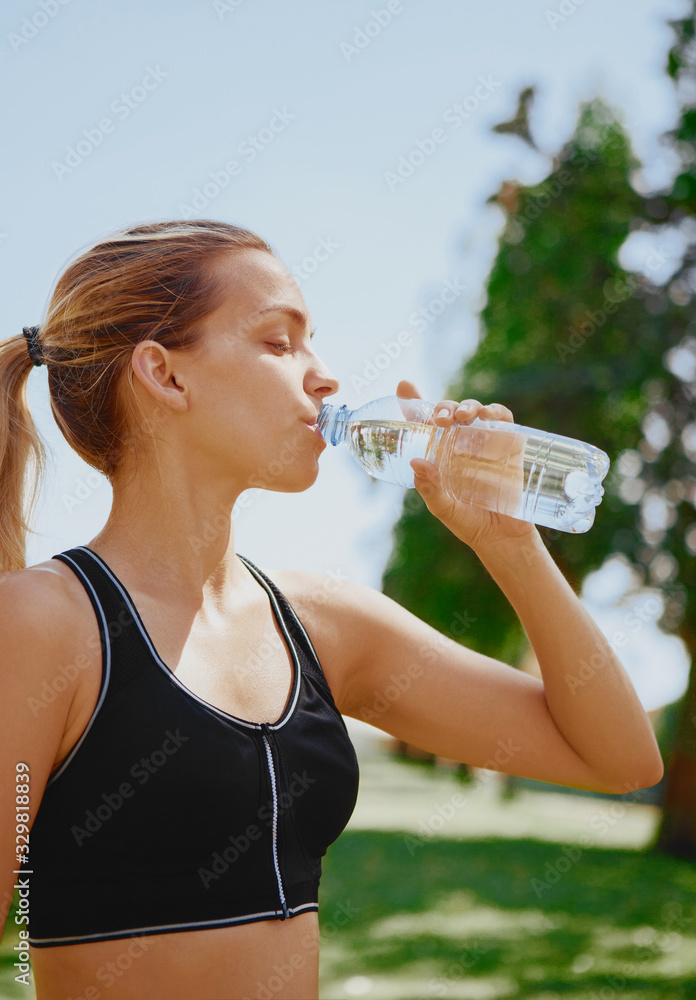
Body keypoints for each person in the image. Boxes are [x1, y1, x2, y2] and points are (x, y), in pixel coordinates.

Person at [1, 219, 662, 1000]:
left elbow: (619, 759)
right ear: (165, 375)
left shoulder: (323, 624)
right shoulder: (40, 623)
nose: (324, 377)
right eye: (280, 343)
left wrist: (510, 545)